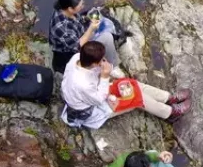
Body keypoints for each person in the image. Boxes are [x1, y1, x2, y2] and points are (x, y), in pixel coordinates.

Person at [60, 40, 191, 128]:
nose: (103, 61)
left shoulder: (77, 58)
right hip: (89, 109)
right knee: (136, 97)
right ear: (94, 63)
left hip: (91, 93)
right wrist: (105, 77)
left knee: (130, 84)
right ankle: (170, 113)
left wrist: (108, 71)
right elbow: (98, 99)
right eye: (101, 60)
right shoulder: (82, 83)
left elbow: (100, 70)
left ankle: (167, 98)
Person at [49, 0, 121, 73]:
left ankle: (106, 56)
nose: (83, 6)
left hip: (80, 35)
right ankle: (113, 67)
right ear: (70, 9)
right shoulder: (61, 28)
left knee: (100, 20)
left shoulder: (63, 8)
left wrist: (87, 18)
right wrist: (91, 29)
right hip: (72, 54)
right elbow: (77, 47)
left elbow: (78, 20)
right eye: (81, 5)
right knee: (107, 38)